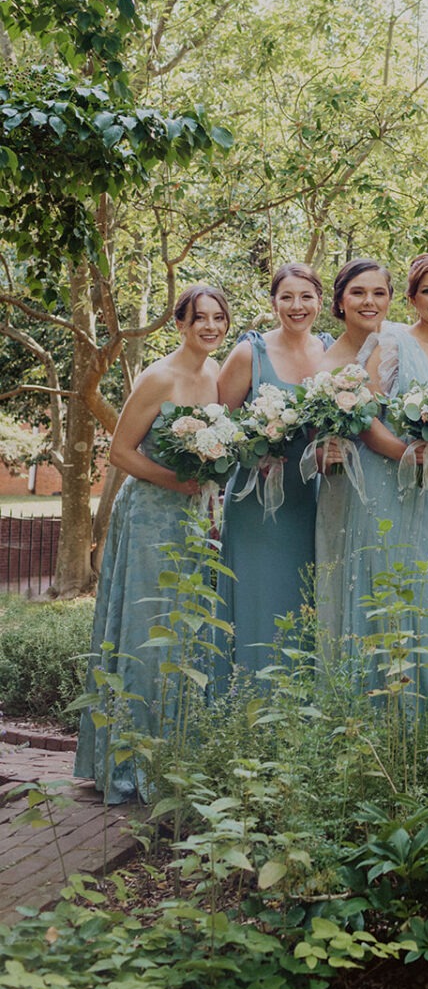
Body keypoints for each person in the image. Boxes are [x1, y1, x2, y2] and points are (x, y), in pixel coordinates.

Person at [75, 284, 231, 802]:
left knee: (188, 631)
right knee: (147, 629)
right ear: (180, 324)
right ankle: (127, 766)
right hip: (149, 516)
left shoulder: (215, 373)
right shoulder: (158, 376)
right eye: (199, 318)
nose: (210, 327)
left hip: (197, 519)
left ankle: (176, 756)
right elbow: (120, 453)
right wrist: (178, 482)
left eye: (218, 318)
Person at [333, 252, 428, 713]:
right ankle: (381, 719)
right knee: (385, 586)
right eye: (427, 290)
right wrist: (403, 452)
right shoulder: (389, 343)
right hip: (384, 480)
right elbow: (363, 416)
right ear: (410, 298)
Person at [218, 263, 331, 670]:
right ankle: (250, 692)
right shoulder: (250, 352)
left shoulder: (330, 351)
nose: (297, 306)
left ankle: (299, 700)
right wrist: (254, 450)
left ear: (320, 301)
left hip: (308, 501)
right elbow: (220, 425)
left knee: (303, 596)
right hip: (255, 501)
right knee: (258, 593)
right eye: (287, 297)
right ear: (273, 303)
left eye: (306, 297)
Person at [313, 258, 394, 657]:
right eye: (358, 292)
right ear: (340, 301)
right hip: (349, 489)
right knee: (353, 579)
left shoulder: (401, 346)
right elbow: (311, 440)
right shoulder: (324, 365)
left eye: (379, 293)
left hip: (407, 486)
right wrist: (320, 453)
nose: (369, 301)